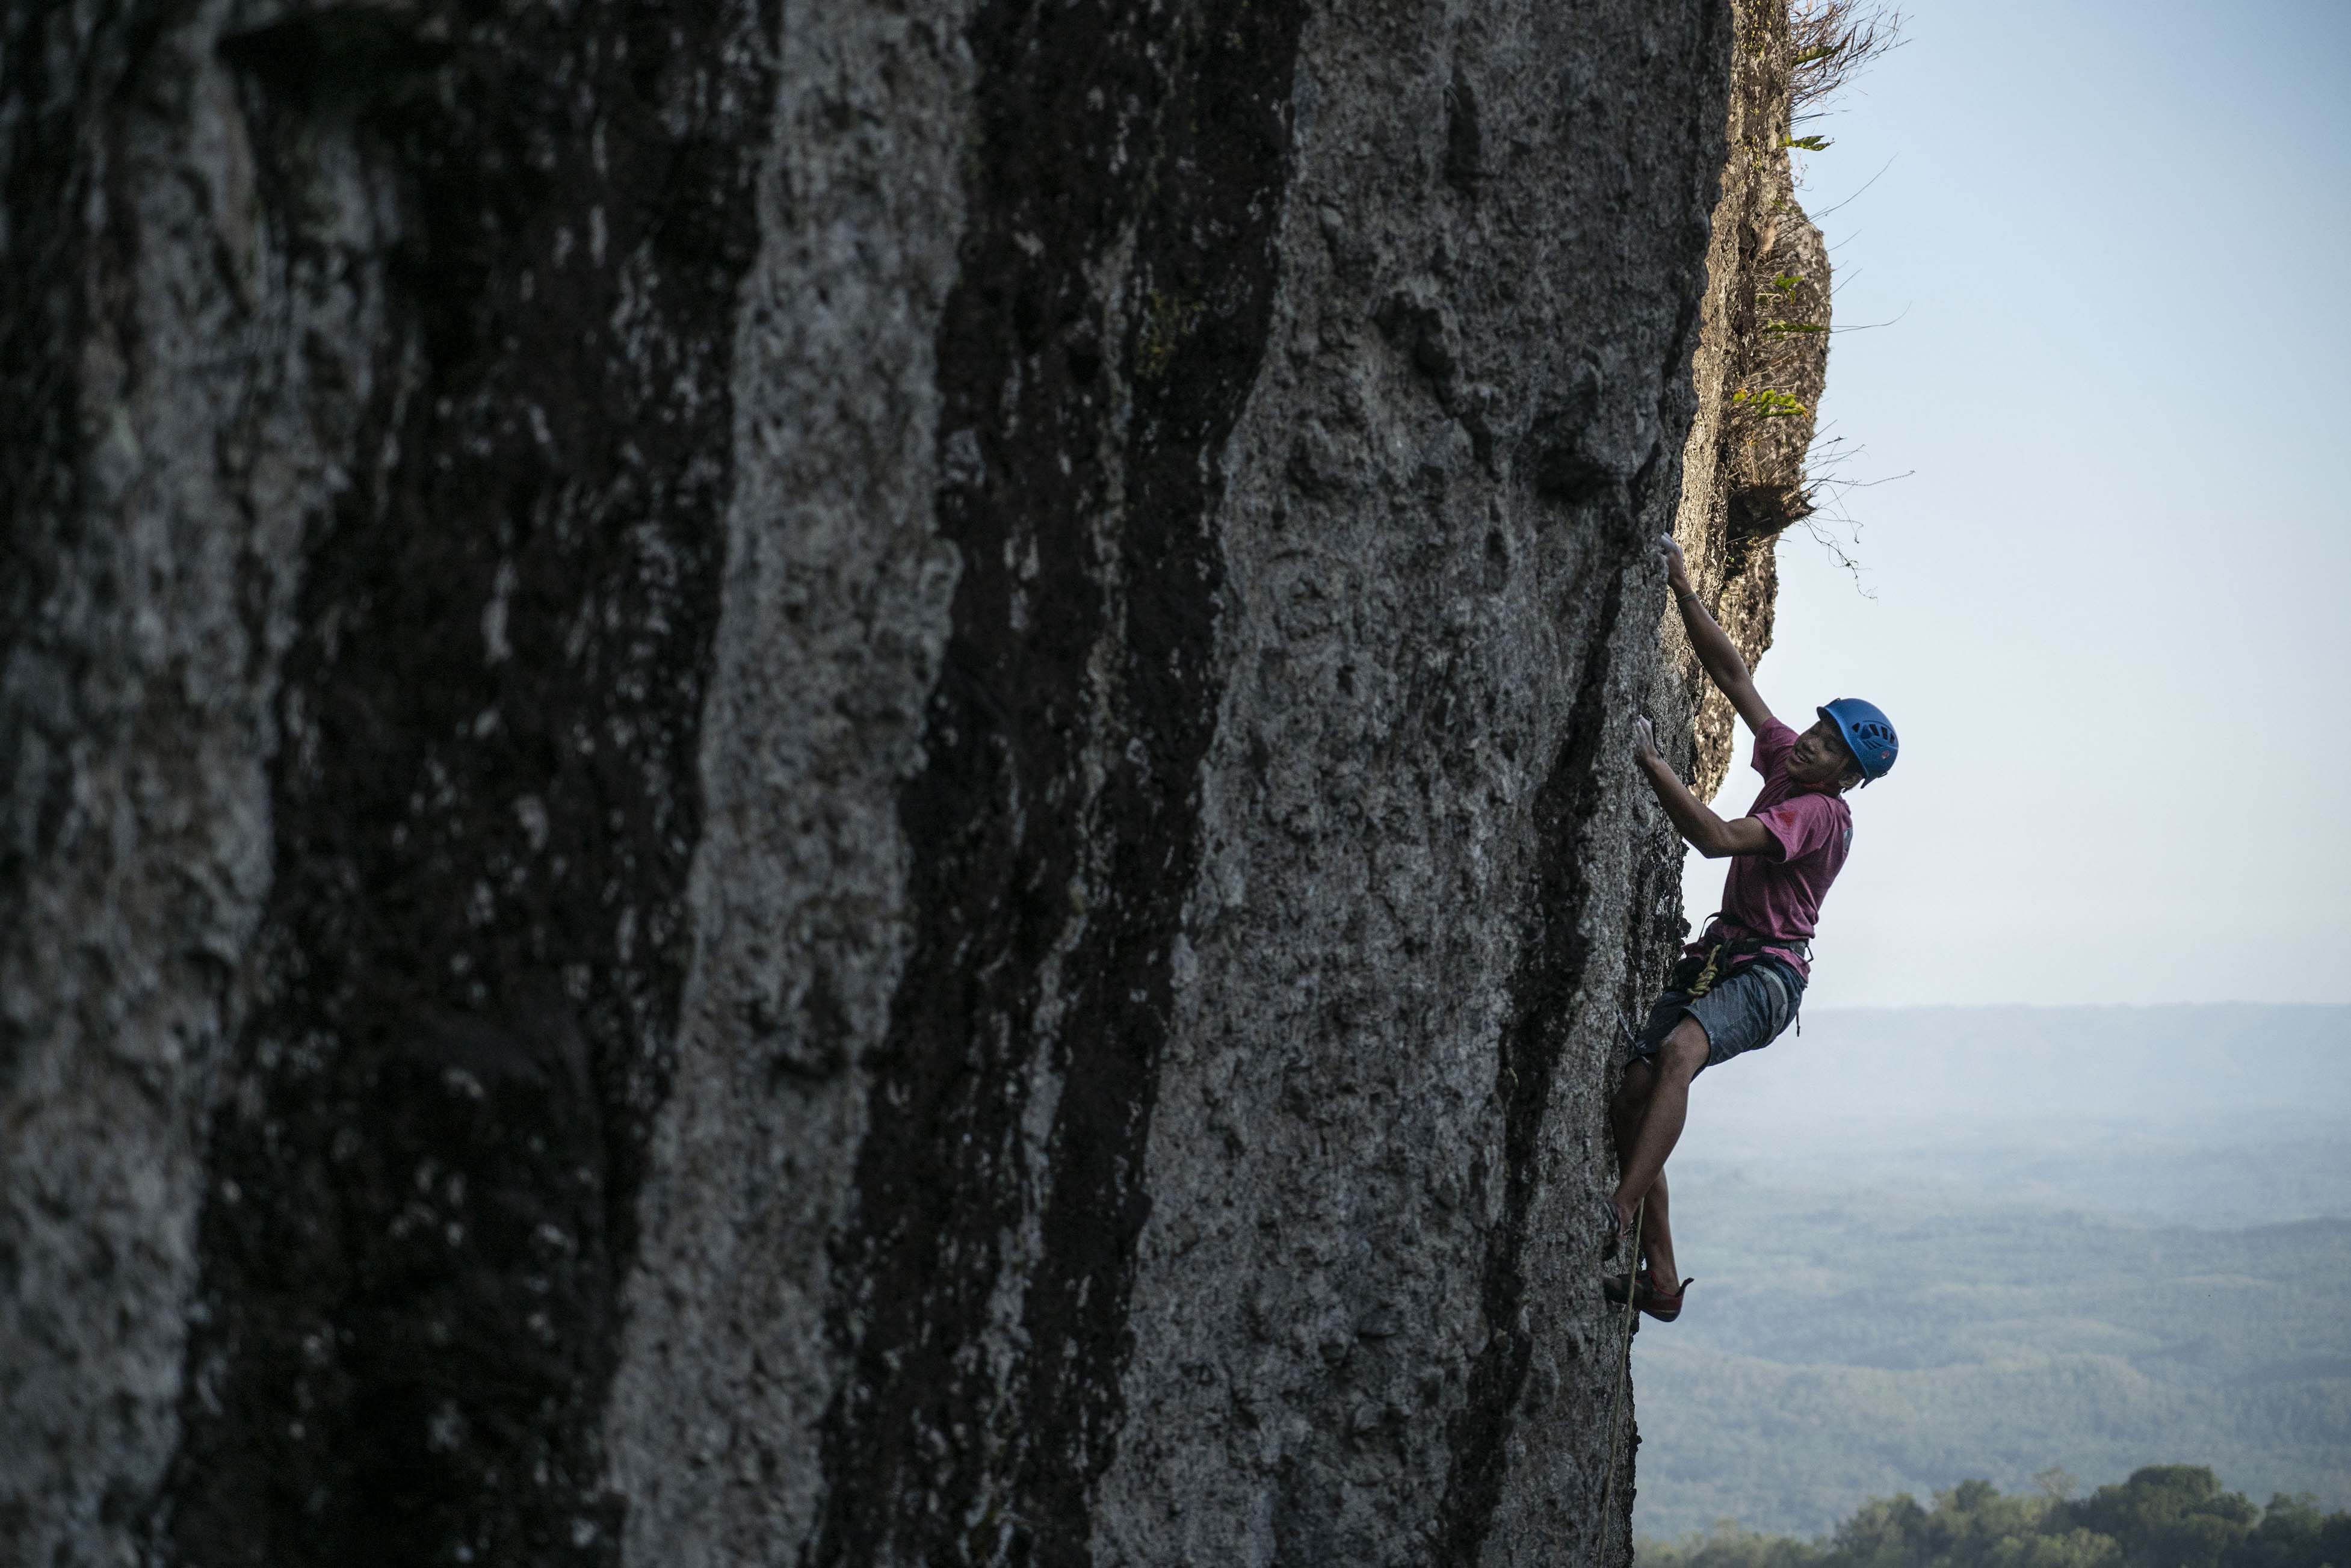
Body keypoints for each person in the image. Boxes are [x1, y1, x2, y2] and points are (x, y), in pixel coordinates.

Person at [1603, 534, 1899, 1323]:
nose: (1810, 741)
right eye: (1818, 728)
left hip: (1767, 976)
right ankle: (1659, 1277)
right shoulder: (1785, 761)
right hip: (1724, 955)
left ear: (1847, 775)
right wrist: (1682, 587)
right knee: (1635, 1091)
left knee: (1678, 1051)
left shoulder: (1816, 812)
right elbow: (1734, 676)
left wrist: (1649, 761)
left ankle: (1618, 1209)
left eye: (1830, 745)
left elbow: (1717, 837)